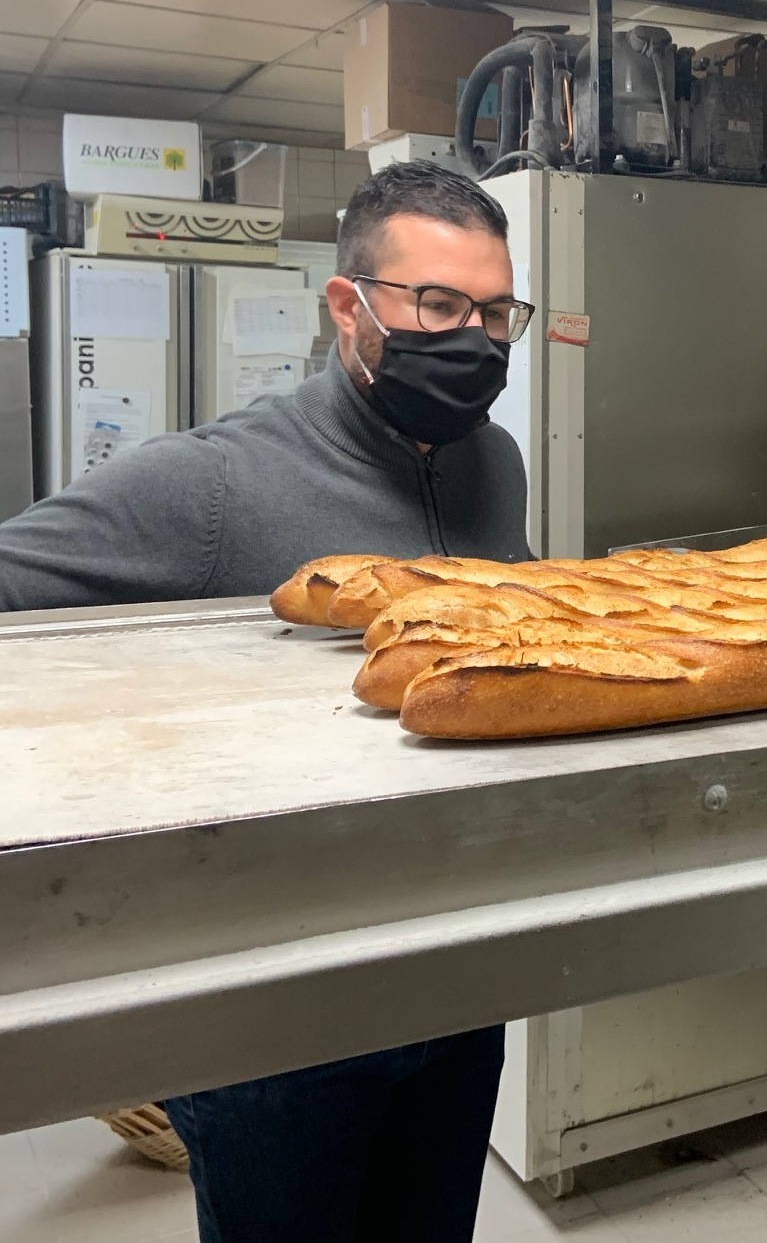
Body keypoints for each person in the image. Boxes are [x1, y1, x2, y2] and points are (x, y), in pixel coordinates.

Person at [0, 160, 534, 1242]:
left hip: (456, 971)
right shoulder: (208, 487)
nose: (472, 338)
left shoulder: (494, 464)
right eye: (436, 304)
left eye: (493, 311)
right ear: (348, 305)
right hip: (277, 1025)